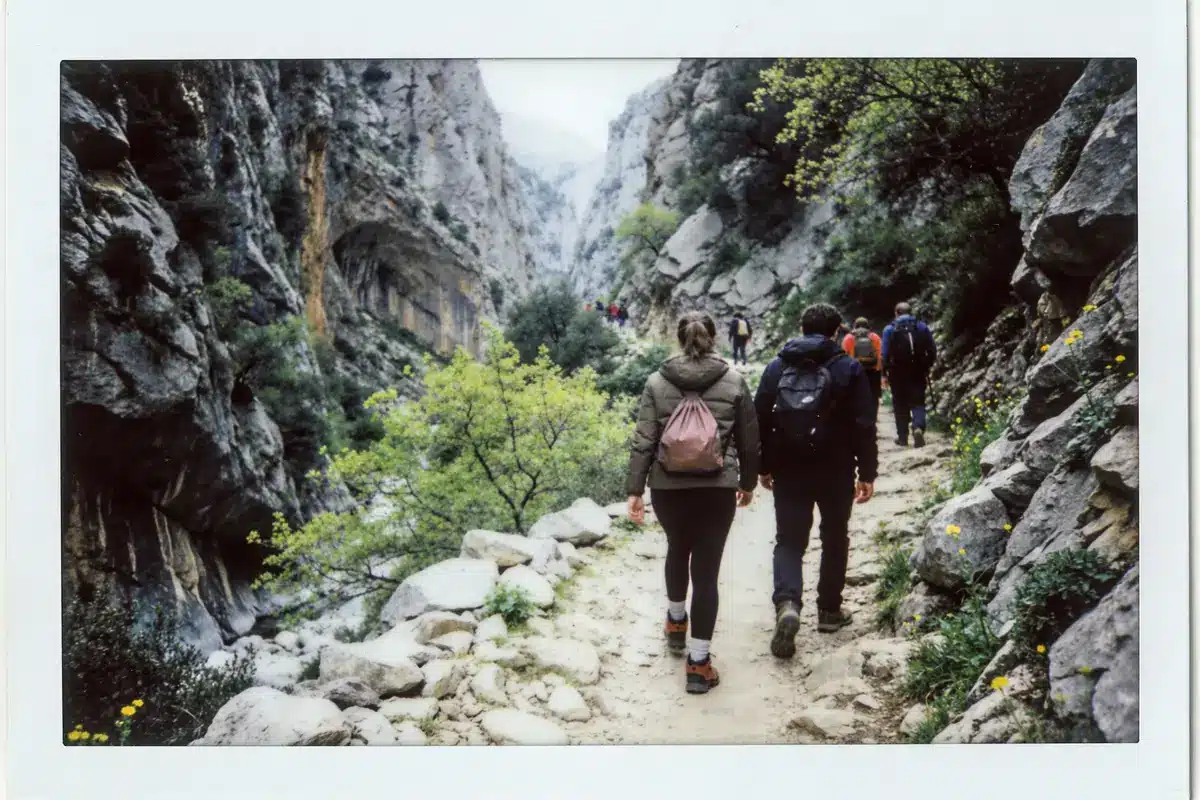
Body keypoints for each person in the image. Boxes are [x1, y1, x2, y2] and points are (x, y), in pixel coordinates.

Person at [626, 311, 760, 694]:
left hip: (668, 488)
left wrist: (635, 491)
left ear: (678, 338)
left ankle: (674, 622)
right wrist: (747, 481)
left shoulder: (656, 381)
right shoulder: (734, 380)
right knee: (706, 572)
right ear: (714, 338)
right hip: (717, 488)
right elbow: (750, 439)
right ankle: (699, 664)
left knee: (676, 549)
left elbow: (644, 441)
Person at [754, 302, 878, 658]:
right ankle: (829, 611)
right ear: (837, 330)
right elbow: (864, 425)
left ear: (801, 327)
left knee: (789, 542)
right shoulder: (848, 368)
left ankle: (789, 604)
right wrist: (867, 472)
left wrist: (763, 465)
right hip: (836, 468)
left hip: (789, 469)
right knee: (835, 537)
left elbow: (759, 418)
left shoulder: (778, 367)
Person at [881, 302, 937, 448]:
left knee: (900, 404)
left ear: (896, 313)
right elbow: (932, 349)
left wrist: (885, 372)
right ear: (910, 312)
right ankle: (918, 427)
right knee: (918, 401)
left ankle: (903, 437)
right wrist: (927, 365)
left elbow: (884, 354)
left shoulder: (889, 329)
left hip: (897, 372)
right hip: (918, 370)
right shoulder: (921, 326)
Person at [842, 317, 883, 418]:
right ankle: (872, 421)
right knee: (873, 398)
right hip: (873, 371)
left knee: (855, 397)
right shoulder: (875, 337)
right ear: (868, 326)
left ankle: (858, 422)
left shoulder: (848, 338)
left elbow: (843, 356)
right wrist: (879, 370)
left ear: (854, 326)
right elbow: (880, 355)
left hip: (854, 372)